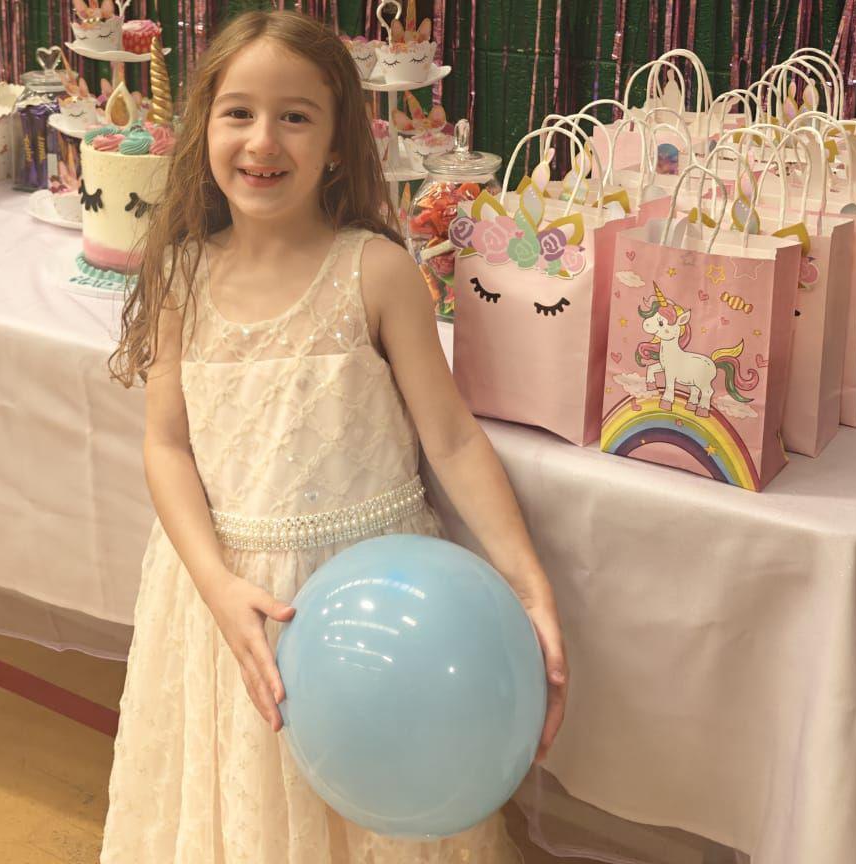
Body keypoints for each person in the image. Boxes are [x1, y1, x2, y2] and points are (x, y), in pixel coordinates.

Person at [102, 10, 567, 861]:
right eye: (239, 112)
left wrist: (529, 584)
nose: (262, 140)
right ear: (205, 129)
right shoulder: (179, 277)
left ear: (338, 145)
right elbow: (166, 447)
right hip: (232, 601)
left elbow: (452, 442)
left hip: (379, 610)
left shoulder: (376, 271)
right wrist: (215, 585)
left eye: (295, 115)